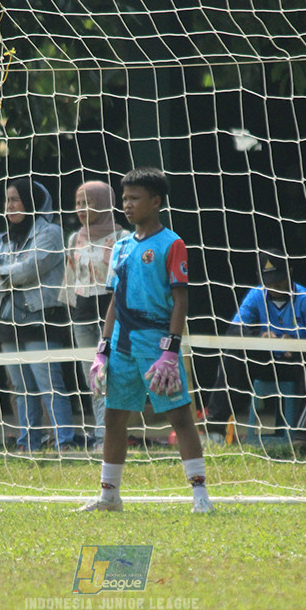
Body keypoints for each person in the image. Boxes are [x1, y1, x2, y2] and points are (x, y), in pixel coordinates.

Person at [81, 167, 213, 513]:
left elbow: (181, 299)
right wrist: (102, 349)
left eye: (134, 198)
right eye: (124, 198)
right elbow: (114, 299)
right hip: (122, 343)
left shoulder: (172, 244)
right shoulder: (121, 246)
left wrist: (171, 348)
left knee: (180, 417)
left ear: (155, 202)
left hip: (156, 345)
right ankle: (109, 496)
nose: (127, 205)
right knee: (114, 417)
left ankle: (200, 496)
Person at [0, 178, 77, 452]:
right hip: (8, 320)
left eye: (15, 199)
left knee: (49, 383)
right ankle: (28, 444)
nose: (9, 205)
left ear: (31, 202)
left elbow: (29, 270)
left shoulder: (51, 233)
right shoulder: (4, 238)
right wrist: (7, 273)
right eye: (7, 200)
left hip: (41, 318)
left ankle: (64, 442)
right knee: (21, 388)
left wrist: (2, 272)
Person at [204, 250, 306, 449]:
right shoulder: (256, 295)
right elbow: (233, 331)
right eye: (269, 281)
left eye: (278, 280)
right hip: (265, 363)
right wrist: (261, 337)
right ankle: (215, 429)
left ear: (289, 272)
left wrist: (294, 343)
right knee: (232, 352)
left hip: (294, 364)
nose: (274, 286)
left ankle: (301, 437)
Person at [60, 181, 130, 450]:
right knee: (92, 378)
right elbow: (69, 282)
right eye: (78, 203)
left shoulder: (123, 238)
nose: (81, 209)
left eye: (87, 202)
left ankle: (111, 436)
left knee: (112, 375)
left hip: (112, 316)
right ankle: (101, 437)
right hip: (82, 316)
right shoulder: (73, 238)